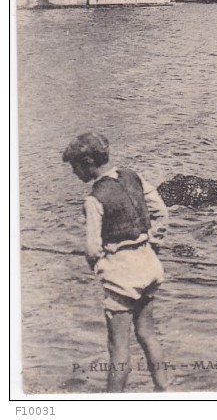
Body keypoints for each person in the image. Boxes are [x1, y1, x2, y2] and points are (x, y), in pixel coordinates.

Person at [62, 132, 169, 393]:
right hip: (149, 264)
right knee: (147, 333)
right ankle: (164, 390)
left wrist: (99, 268)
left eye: (75, 167)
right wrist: (151, 244)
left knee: (118, 346)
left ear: (88, 162)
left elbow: (92, 249)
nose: (74, 173)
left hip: (122, 275)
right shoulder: (133, 175)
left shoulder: (94, 199)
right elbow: (161, 212)